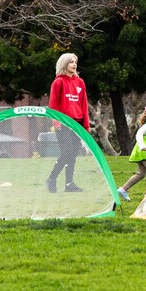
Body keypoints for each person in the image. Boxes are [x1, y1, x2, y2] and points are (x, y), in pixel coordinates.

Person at [46, 53, 90, 193]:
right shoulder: (58, 82)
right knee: (67, 153)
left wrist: (86, 127)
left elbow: (84, 105)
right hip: (63, 125)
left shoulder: (80, 82)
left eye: (75, 62)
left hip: (77, 125)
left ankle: (69, 184)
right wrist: (57, 123)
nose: (74, 64)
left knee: (73, 154)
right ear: (64, 64)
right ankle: (52, 179)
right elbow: (53, 105)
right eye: (71, 62)